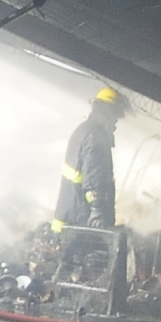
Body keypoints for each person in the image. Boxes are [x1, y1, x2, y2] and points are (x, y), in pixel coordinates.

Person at [51, 85, 125, 233]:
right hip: (80, 225)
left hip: (68, 220)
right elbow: (94, 180)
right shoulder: (95, 137)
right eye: (115, 115)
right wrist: (98, 213)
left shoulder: (83, 130)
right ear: (107, 112)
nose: (116, 121)